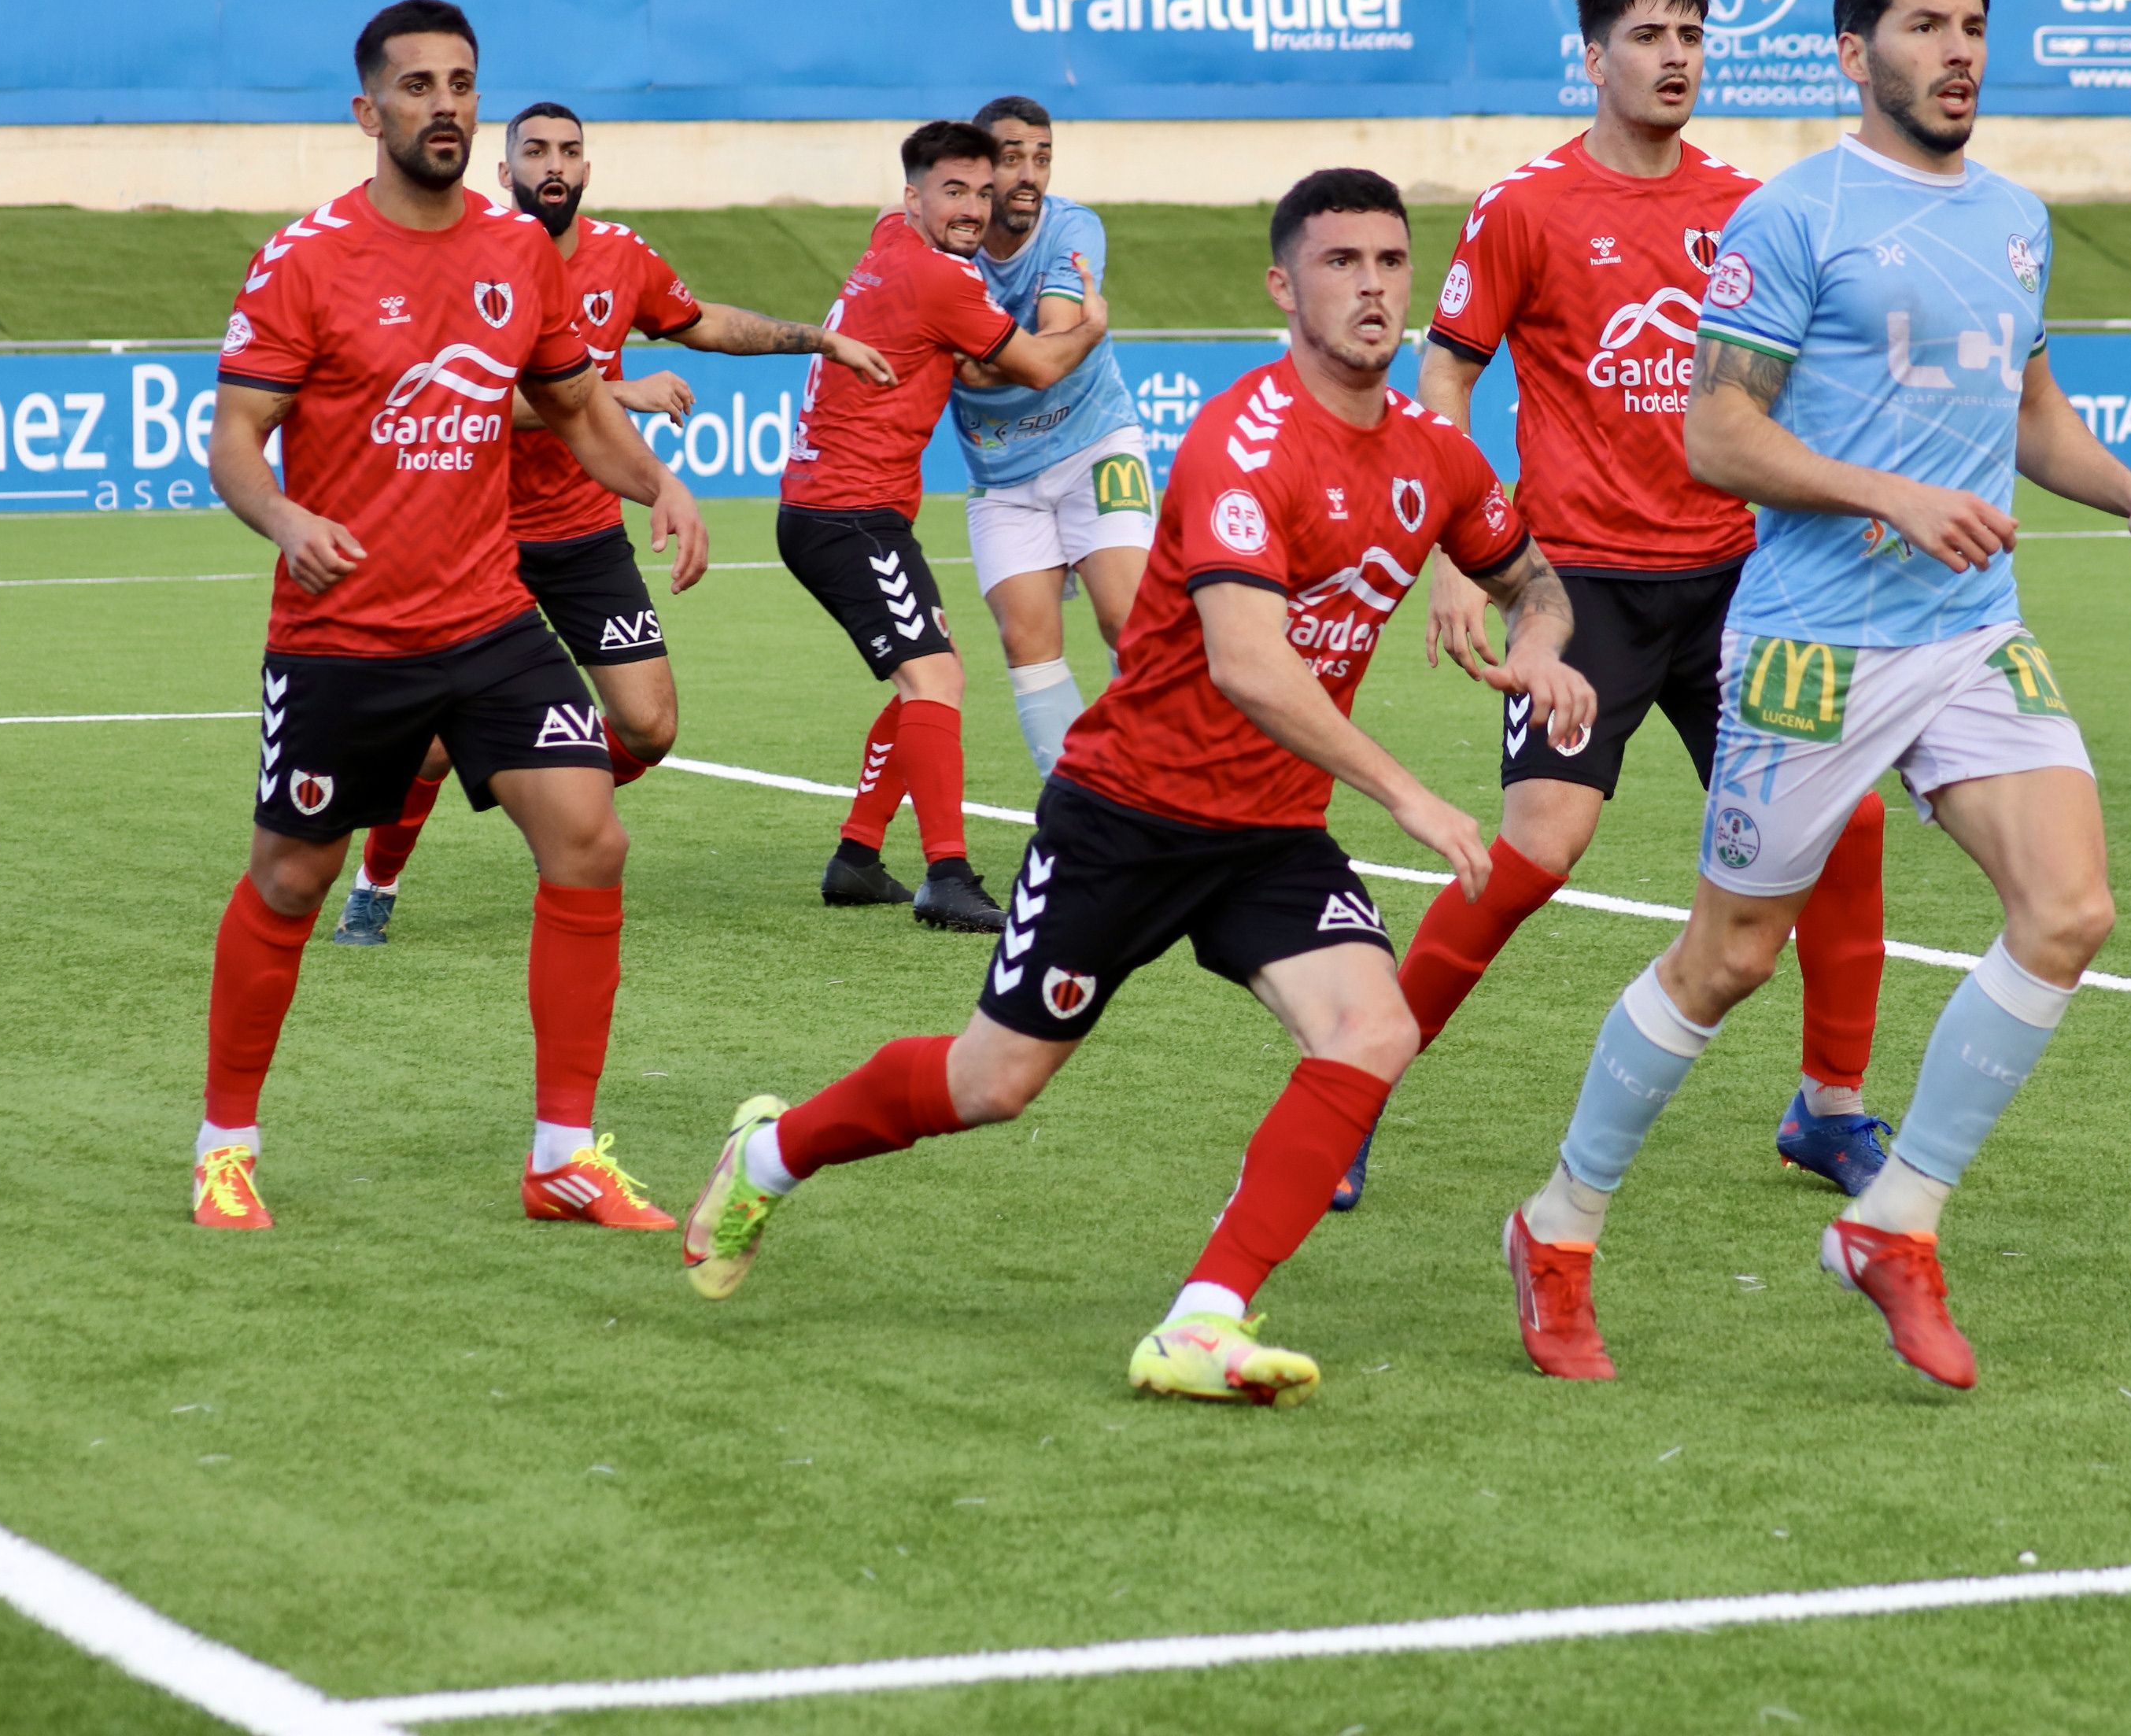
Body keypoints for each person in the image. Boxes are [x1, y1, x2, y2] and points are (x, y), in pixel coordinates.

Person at [681, 169, 1597, 1408]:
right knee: (989, 1085)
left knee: (1373, 1027)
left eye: (1390, 262)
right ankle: (770, 1153)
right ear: (1284, 286)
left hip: (1270, 832)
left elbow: (1531, 577)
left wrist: (1540, 639)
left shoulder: (1436, 454)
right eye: (1341, 263)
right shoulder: (1242, 438)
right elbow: (1250, 666)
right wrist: (1412, 798)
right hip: (1129, 813)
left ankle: (1203, 1317)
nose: (1373, 285)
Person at [1500, 0, 2131, 1391]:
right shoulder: (1788, 216)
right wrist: (1890, 495)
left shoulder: (2014, 219)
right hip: (1812, 643)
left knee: (2066, 910)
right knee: (1727, 960)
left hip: (1967, 635)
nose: (1957, 52)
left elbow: (2029, 418)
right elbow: (1716, 437)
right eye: (1924, 27)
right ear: (1851, 52)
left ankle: (1898, 1222)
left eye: (1972, 26)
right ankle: (1557, 1225)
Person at [1372, 0, 1893, 1215]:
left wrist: (1858, 496)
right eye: (1650, 34)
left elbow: (1806, 382)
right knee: (1540, 854)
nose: (1676, 57)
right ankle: (1353, 1087)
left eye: (1693, 35)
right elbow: (1444, 379)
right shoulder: (1524, 208)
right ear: (1592, 56)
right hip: (1580, 594)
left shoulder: (1752, 205)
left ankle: (1828, 1110)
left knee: (1849, 828)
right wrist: (1456, 549)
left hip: (1741, 586)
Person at [192, 0, 711, 1232]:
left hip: (487, 620)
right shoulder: (305, 258)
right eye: (417, 86)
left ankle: (562, 1157)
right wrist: (285, 522)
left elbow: (576, 405)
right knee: (286, 881)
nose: (445, 105)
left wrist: (660, 483)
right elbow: (234, 440)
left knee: (590, 840)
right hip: (342, 636)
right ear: (367, 111)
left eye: (462, 83)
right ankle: (225, 1146)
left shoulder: (517, 250)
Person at [331, 99, 899, 946]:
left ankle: (545, 795)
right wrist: (614, 392)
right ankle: (376, 887)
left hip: (585, 533)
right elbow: (461, 395)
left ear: (586, 170)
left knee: (649, 727)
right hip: (475, 535)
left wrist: (817, 340)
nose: (553, 165)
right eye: (535, 151)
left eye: (569, 151)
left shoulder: (621, 256)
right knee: (435, 746)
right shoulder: (467, 256)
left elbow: (700, 321)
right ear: (504, 170)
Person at [779, 119, 1088, 933]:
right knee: (937, 680)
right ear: (914, 196)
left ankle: (857, 855)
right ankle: (947, 875)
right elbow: (1045, 363)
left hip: (837, 509)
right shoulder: (940, 280)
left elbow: (923, 227)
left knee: (929, 671)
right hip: (848, 514)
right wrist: (1092, 317)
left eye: (985, 193)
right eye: (954, 191)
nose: (975, 210)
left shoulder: (891, 236)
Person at [944, 95, 1147, 779]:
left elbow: (1048, 345)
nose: (1029, 174)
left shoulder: (1074, 229)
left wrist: (998, 359)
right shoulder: (943, 245)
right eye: (1010, 159)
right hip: (1002, 477)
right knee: (1025, 640)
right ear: (977, 168)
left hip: (1097, 445)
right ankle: (1077, 810)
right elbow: (1044, 356)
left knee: (1131, 622)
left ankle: (1157, 795)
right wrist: (1050, 350)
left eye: (1042, 157)